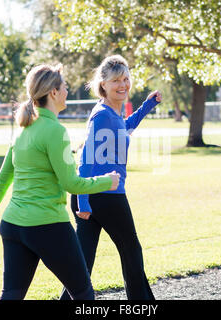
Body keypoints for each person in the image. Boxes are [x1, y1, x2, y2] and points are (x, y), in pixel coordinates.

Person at [0, 64, 120, 300]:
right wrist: (107, 181)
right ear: (53, 92)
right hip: (48, 225)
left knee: (11, 294)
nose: (67, 92)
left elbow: (1, 183)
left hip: (12, 225)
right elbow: (72, 184)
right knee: (83, 294)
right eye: (65, 88)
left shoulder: (22, 130)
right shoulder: (55, 131)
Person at [60, 55, 162, 300]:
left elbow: (124, 127)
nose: (123, 85)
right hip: (103, 195)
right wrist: (83, 202)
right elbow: (86, 159)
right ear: (102, 83)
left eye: (126, 79)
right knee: (131, 251)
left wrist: (146, 106)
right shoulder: (102, 115)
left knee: (83, 264)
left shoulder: (112, 114)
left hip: (94, 195)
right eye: (116, 80)